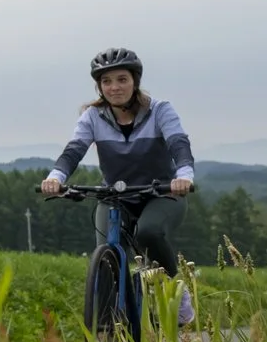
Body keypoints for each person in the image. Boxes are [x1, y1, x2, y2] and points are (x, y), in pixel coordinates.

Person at [40, 48, 196, 324]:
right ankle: (115, 317)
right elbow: (74, 150)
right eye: (107, 81)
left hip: (161, 193)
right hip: (115, 195)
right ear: (99, 87)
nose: (115, 87)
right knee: (108, 255)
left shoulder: (160, 110)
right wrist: (56, 177)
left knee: (149, 232)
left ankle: (176, 291)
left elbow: (178, 144)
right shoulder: (92, 117)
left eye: (122, 79)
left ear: (135, 81)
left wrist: (183, 174)